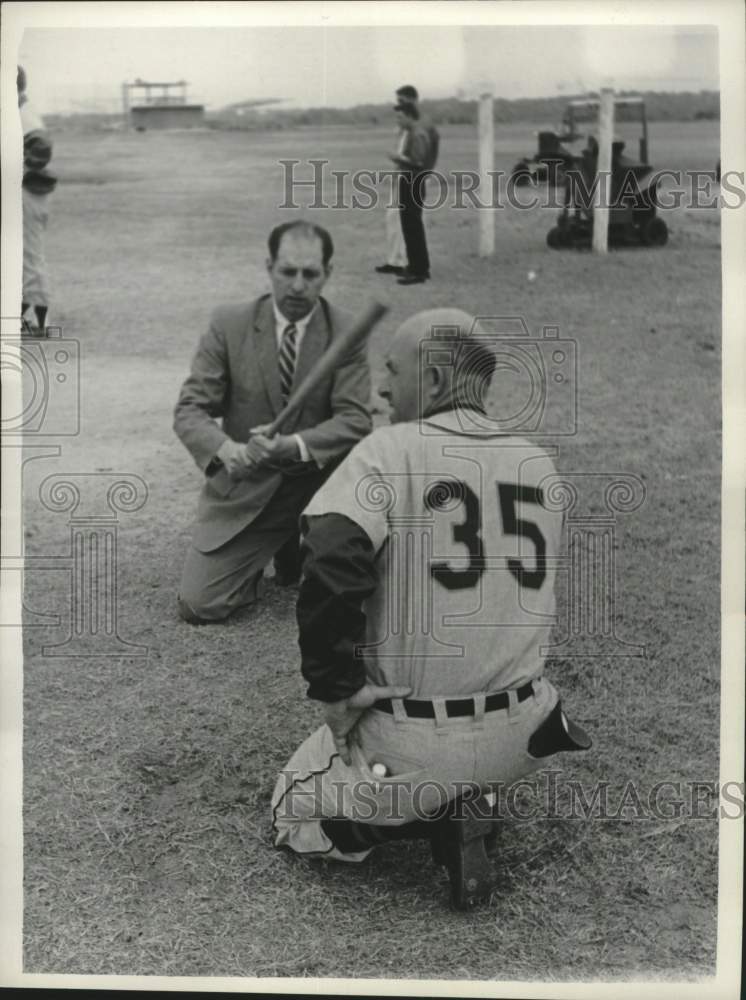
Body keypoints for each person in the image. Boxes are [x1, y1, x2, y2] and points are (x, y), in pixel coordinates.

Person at [271, 308, 591, 909]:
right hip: (524, 733)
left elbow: (329, 562)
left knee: (292, 811)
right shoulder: (538, 463)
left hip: (413, 745)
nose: (385, 388)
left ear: (438, 381)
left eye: (394, 370)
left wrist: (337, 691)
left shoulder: (387, 450)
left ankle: (432, 816)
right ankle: (477, 794)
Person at [173, 220, 372, 624]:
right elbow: (190, 410)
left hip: (321, 489)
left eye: (310, 274)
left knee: (367, 593)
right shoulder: (229, 324)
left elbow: (354, 419)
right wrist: (227, 451)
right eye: (288, 272)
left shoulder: (347, 330)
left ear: (327, 275)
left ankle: (299, 547)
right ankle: (273, 548)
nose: (298, 286)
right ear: (269, 268)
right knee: (200, 605)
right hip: (250, 488)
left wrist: (292, 445)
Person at [17, 65, 57, 337]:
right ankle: (21, 316)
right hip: (25, 192)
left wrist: (23, 169)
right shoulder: (18, 111)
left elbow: (42, 147)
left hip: (27, 193)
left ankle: (40, 322)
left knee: (30, 255)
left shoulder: (23, 113)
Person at [387, 102, 431, 285]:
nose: (398, 120)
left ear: (410, 116)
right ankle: (415, 266)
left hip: (413, 181)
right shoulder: (411, 134)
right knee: (409, 226)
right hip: (408, 180)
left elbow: (419, 162)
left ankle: (419, 270)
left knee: (413, 227)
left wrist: (399, 159)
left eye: (400, 116)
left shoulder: (417, 134)